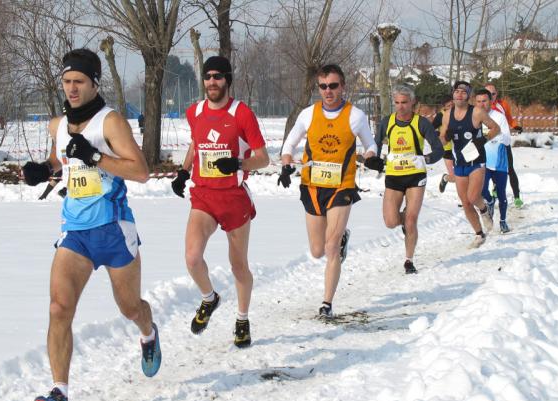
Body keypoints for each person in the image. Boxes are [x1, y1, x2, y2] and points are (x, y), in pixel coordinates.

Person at [21, 48, 159, 401]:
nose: (72, 89)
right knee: (58, 307)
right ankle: (60, 394)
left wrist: (97, 157)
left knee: (130, 308)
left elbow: (141, 171)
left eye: (78, 81)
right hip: (75, 233)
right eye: (66, 82)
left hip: (114, 229)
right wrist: (41, 170)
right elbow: (62, 162)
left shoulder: (110, 122)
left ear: (95, 82)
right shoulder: (58, 125)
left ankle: (148, 333)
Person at [170, 56, 269, 348]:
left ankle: (242, 319)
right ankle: (209, 298)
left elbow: (263, 158)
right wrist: (183, 171)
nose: (212, 82)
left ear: (227, 80)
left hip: (234, 198)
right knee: (192, 257)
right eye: (207, 76)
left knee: (238, 265)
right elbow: (195, 143)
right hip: (204, 196)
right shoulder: (195, 111)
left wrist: (238, 163)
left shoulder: (242, 114)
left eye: (217, 77)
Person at [279, 64, 376, 317]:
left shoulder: (355, 116)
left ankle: (326, 304)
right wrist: (287, 164)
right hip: (312, 186)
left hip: (341, 186)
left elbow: (370, 144)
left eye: (333, 86)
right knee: (317, 250)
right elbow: (289, 143)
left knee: (331, 248)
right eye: (323, 86)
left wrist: (371, 156)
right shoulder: (308, 114)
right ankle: (341, 238)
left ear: (343, 86)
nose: (328, 91)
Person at [365, 84, 444, 274]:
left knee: (410, 220)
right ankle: (406, 227)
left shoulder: (421, 123)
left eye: (404, 103)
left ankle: (409, 260)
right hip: (394, 175)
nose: (400, 107)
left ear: (412, 102)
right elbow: (374, 145)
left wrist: (425, 158)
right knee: (391, 221)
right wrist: (372, 160)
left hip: (416, 175)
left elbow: (438, 149)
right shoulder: (387, 122)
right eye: (397, 103)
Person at [440, 80, 501, 248]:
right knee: (465, 202)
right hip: (460, 161)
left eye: (463, 92)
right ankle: (479, 234)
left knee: (473, 197)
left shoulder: (477, 112)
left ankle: (484, 210)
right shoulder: (447, 115)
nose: (459, 94)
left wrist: (484, 139)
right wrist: (446, 136)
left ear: (468, 96)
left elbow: (496, 129)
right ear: (453, 94)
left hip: (477, 160)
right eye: (457, 91)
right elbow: (442, 138)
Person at [476, 88, 511, 233]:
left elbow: (507, 139)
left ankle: (503, 221)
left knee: (502, 192)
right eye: (478, 101)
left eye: (484, 101)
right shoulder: (474, 118)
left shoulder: (499, 117)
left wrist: (491, 136)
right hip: (482, 162)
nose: (481, 104)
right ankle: (490, 201)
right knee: (482, 190)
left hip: (499, 161)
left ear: (490, 101)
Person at [484, 82, 524, 208]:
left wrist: (515, 125)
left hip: (502, 142)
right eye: (488, 94)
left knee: (509, 169)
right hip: (488, 144)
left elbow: (509, 119)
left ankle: (517, 196)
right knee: (490, 169)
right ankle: (495, 190)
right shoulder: (480, 108)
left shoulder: (503, 105)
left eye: (493, 93)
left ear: (496, 94)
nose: (491, 96)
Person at [432, 94, 456, 193]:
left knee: (463, 175)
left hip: (459, 147)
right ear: (444, 107)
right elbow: (431, 129)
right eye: (448, 106)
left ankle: (464, 201)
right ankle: (445, 178)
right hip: (447, 149)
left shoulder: (460, 113)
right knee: (454, 177)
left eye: (452, 105)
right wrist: (440, 134)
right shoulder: (441, 115)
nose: (451, 107)